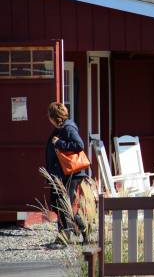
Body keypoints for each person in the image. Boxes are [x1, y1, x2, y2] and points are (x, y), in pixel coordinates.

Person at [45, 102, 88, 245]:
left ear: (53, 117)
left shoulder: (68, 128)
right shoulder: (59, 129)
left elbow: (79, 145)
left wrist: (59, 144)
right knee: (58, 203)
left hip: (70, 174)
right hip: (60, 174)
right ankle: (83, 228)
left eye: (49, 115)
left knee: (63, 204)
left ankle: (63, 238)